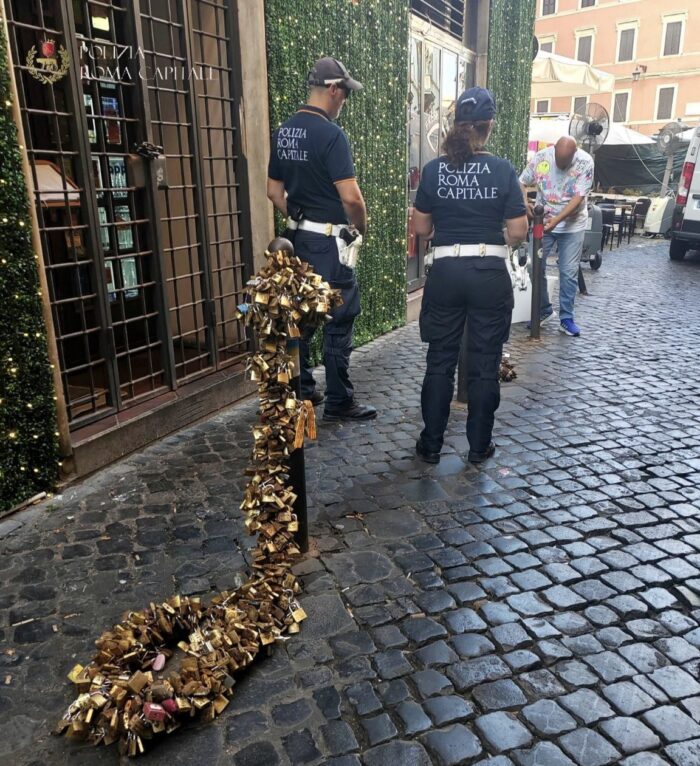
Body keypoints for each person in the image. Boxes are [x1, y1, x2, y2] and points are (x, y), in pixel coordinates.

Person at [412, 87, 528, 465]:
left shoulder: (433, 169)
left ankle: (430, 444)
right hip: (487, 272)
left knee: (440, 360)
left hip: (445, 270)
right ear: (489, 126)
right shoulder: (503, 170)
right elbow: (517, 232)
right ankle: (479, 446)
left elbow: (421, 227)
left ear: (456, 125)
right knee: (484, 361)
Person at [266, 57, 376, 421]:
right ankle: (340, 401)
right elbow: (351, 197)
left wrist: (297, 217)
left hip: (296, 240)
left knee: (300, 316)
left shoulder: (283, 131)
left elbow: (273, 191)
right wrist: (359, 226)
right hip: (330, 245)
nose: (344, 100)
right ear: (332, 89)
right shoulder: (331, 135)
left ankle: (303, 391)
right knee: (339, 317)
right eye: (344, 93)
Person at [519, 136, 594, 337]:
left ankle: (567, 318)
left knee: (568, 272)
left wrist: (557, 220)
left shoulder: (585, 162)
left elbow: (578, 199)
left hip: (572, 225)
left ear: (574, 155)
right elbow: (522, 182)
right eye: (559, 162)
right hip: (543, 223)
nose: (561, 166)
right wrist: (525, 204)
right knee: (534, 266)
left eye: (565, 163)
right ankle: (544, 310)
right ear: (554, 152)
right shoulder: (542, 158)